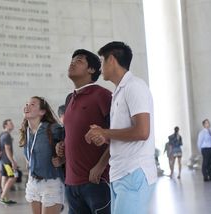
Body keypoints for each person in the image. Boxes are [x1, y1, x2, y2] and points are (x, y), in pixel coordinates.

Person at [85, 41, 157, 214]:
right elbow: (124, 133)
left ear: (111, 60)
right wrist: (103, 136)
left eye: (102, 61)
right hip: (120, 173)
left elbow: (142, 132)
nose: (100, 67)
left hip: (134, 172)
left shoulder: (134, 86)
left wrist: (104, 131)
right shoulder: (119, 91)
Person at [56, 49, 112, 214]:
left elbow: (116, 134)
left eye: (79, 60)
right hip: (71, 183)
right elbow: (69, 134)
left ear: (92, 70)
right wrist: (61, 146)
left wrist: (100, 166)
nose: (72, 63)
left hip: (96, 181)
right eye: (72, 60)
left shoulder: (103, 95)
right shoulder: (69, 99)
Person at [20, 96, 65, 214]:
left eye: (32, 104)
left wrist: (62, 159)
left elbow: (71, 145)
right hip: (32, 183)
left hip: (51, 183)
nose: (27, 106)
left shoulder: (53, 129)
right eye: (26, 104)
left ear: (42, 111)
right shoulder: (26, 132)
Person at [0, 119, 18, 205]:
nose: (12, 125)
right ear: (5, 125)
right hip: (7, 161)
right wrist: (12, 161)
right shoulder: (7, 136)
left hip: (3, 160)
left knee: (4, 178)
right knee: (13, 177)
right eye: (10, 123)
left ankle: (6, 198)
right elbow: (7, 149)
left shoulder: (2, 135)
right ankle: (2, 197)